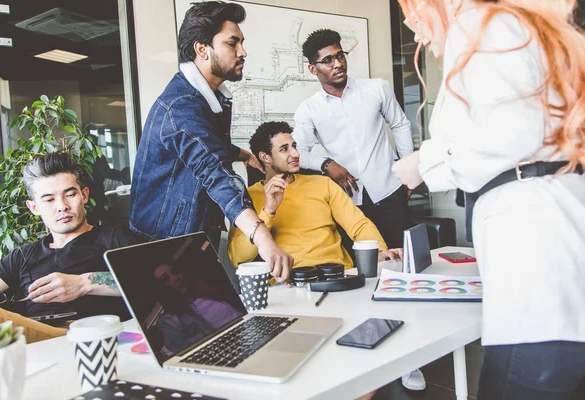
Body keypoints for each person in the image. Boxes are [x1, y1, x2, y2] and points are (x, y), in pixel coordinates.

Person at [391, 1, 585, 398]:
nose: (415, 33)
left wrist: (423, 164)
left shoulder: (477, 24)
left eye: (412, 16)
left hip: (537, 283)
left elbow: (509, 133)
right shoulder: (520, 28)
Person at [228, 122, 426, 393]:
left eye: (294, 146)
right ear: (265, 157)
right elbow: (238, 256)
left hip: (340, 279)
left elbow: (358, 224)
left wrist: (380, 249)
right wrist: (269, 210)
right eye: (284, 149)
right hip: (290, 289)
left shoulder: (321, 185)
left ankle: (400, 357)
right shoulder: (247, 198)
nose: (295, 153)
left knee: (388, 311)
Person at [129, 1, 291, 283]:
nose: (243, 52)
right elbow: (213, 170)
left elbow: (201, 145)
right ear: (201, 49)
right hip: (166, 248)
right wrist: (261, 235)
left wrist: (241, 154)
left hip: (192, 238)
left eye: (241, 43)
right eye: (232, 43)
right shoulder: (181, 107)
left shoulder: (204, 98)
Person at [0, 153, 143, 324]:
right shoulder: (22, 256)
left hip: (100, 337)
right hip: (37, 341)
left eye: (70, 195)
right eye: (49, 199)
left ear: (84, 195)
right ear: (34, 207)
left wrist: (83, 284)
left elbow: (153, 278)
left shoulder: (113, 238)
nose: (62, 206)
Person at [292, 29, 414, 248]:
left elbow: (400, 124)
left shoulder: (377, 88)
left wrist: (408, 169)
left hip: (389, 189)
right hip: (347, 201)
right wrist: (326, 164)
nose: (337, 64)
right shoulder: (308, 109)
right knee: (361, 269)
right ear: (313, 69)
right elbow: (298, 153)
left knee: (402, 260)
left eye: (340, 56)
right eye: (328, 60)